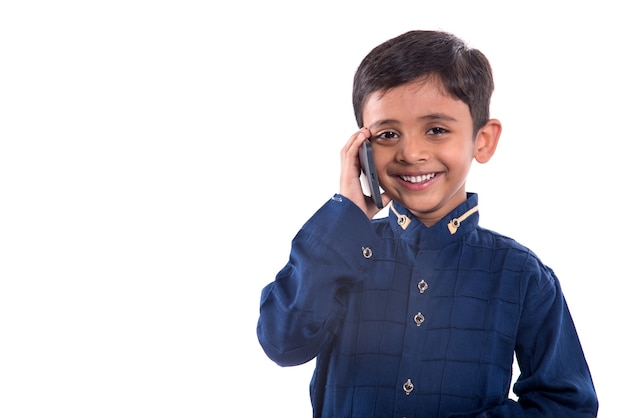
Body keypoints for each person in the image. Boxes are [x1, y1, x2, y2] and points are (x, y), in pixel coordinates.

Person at [256, 30, 598, 417]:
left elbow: (567, 404)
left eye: (436, 129)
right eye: (387, 134)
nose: (412, 153)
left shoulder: (523, 275)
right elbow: (283, 343)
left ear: (482, 140)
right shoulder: (341, 252)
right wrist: (345, 215)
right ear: (362, 150)